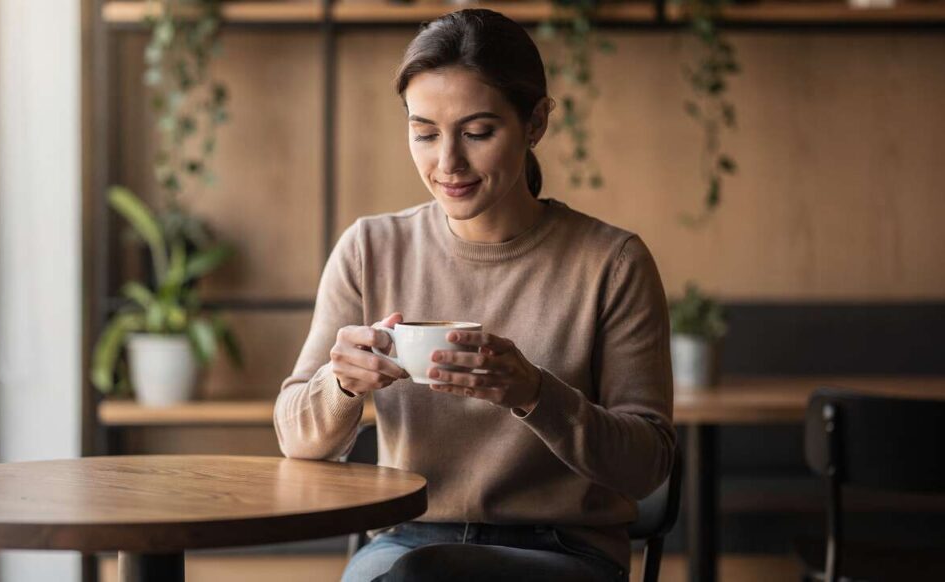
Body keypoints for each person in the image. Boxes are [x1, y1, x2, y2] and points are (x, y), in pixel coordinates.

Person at [274, 9, 675, 582]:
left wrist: (535, 393)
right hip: (406, 538)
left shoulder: (612, 262)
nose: (447, 163)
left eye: (478, 132)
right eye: (425, 133)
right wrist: (340, 385)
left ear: (535, 122)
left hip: (563, 548)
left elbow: (647, 465)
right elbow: (295, 437)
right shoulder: (370, 248)